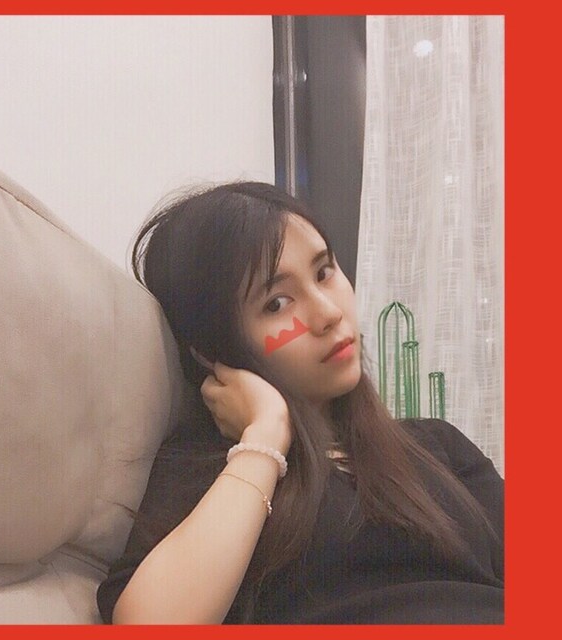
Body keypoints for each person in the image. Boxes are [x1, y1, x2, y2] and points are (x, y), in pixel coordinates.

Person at [96, 182, 504, 625]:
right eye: (277, 303)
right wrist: (266, 433)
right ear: (213, 351)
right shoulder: (210, 475)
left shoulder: (436, 445)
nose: (328, 313)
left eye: (324, 271)